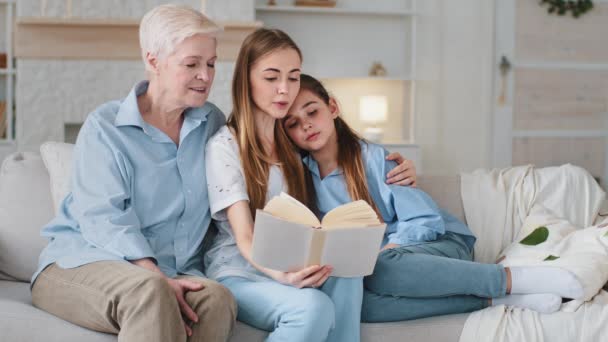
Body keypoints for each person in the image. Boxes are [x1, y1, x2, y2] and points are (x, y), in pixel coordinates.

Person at [281, 74, 586, 322]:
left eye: (312, 111)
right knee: (360, 307)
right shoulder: (302, 180)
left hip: (440, 245)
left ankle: (510, 279)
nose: (306, 124)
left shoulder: (374, 159)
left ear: (332, 108)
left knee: (382, 267)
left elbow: (425, 220)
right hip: (379, 269)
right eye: (293, 123)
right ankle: (489, 301)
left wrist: (386, 250)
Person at [31, 5, 236, 342]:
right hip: (81, 263)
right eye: (192, 64)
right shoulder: (106, 127)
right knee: (150, 291)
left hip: (170, 272)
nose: (206, 75)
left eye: (211, 64)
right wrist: (155, 276)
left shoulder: (211, 123)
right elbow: (103, 217)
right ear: (153, 61)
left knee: (217, 298)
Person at [203, 28, 414, 342]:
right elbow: (245, 237)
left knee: (347, 273)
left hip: (293, 264)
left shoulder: (293, 142)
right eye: (272, 78)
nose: (284, 90)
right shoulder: (225, 146)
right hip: (240, 272)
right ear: (246, 80)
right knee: (313, 307)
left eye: (293, 77)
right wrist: (282, 276)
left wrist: (400, 167)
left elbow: (343, 151)